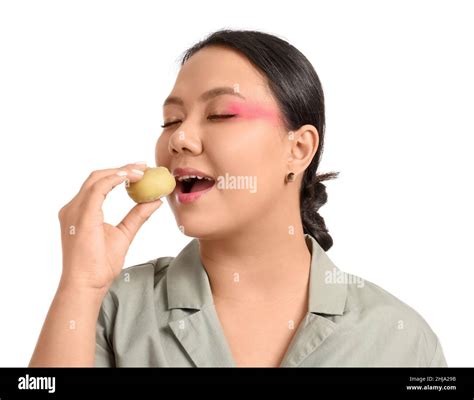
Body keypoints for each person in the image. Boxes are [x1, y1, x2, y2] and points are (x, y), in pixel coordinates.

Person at [29, 29, 447, 367]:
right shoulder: (112, 307)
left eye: (221, 114)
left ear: (298, 149)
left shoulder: (400, 337)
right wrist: (80, 287)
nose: (179, 137)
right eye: (171, 120)